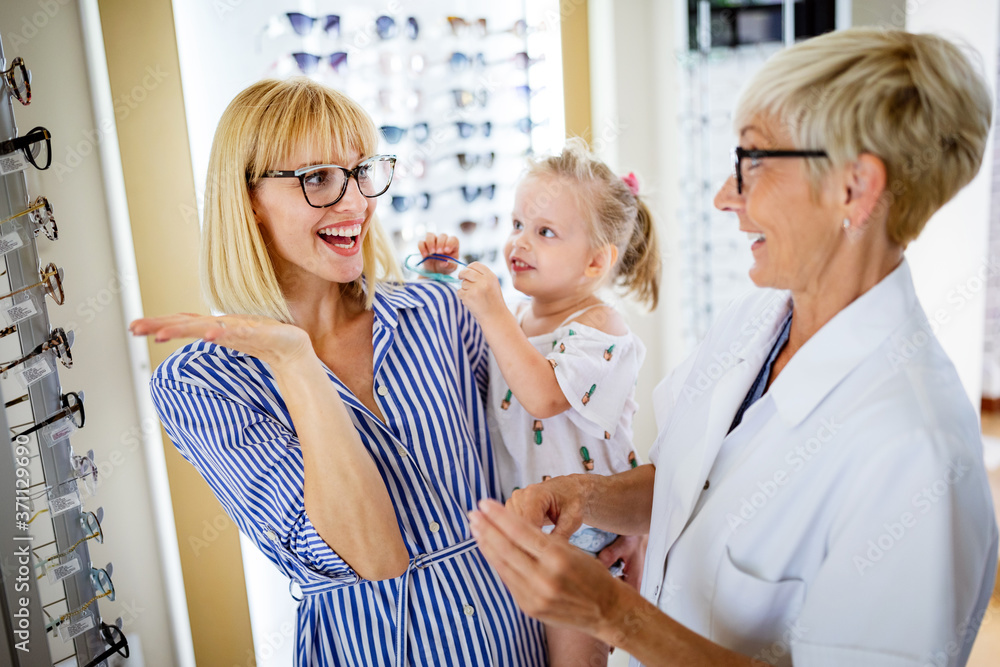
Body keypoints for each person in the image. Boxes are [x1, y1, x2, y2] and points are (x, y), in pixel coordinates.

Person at [467, 27, 999, 667]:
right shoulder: (755, 320)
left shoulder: (915, 454)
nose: (725, 196)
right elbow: (686, 484)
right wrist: (588, 497)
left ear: (855, 189)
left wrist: (613, 615)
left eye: (753, 162)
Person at [129, 78, 546, 667]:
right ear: (248, 198)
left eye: (362, 172)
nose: (355, 205)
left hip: (516, 639)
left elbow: (541, 441)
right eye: (318, 178)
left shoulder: (439, 310)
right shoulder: (199, 385)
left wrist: (607, 525)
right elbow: (371, 555)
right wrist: (295, 362)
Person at [422, 139, 660, 666]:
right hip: (535, 526)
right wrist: (443, 279)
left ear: (595, 262)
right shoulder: (521, 318)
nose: (519, 243)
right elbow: (477, 355)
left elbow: (543, 394)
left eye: (544, 232)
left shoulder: (601, 328)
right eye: (516, 225)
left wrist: (493, 310)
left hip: (586, 534)